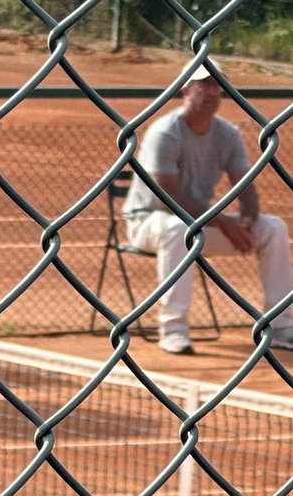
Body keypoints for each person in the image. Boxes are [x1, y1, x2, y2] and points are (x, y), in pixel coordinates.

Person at [123, 58, 293, 355]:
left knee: (274, 227)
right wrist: (225, 223)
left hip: (201, 225)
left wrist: (249, 220)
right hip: (149, 221)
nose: (213, 91)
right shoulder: (166, 131)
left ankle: (281, 327)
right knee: (179, 228)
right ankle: (173, 328)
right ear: (185, 89)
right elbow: (167, 195)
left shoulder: (228, 133)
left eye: (217, 84)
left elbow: (246, 187)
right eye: (205, 84)